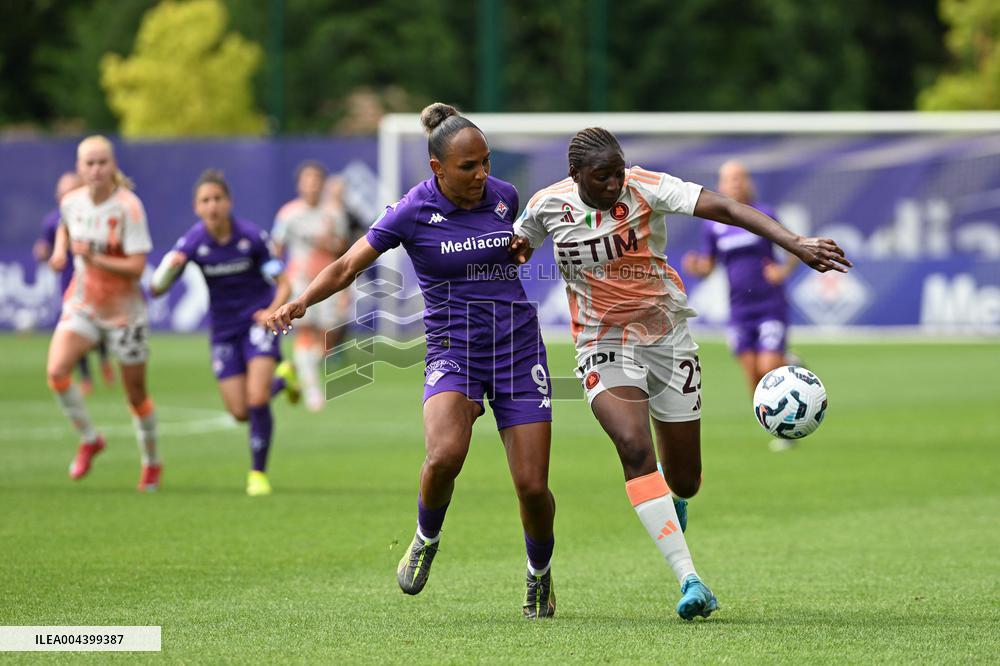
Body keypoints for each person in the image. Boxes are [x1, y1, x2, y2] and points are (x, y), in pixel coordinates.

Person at [510, 128, 851, 620]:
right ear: (575, 176)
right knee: (633, 447)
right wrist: (511, 252)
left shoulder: (646, 186)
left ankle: (672, 498)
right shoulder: (548, 205)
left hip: (667, 339)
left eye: (618, 172)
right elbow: (520, 244)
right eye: (601, 177)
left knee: (685, 480)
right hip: (601, 343)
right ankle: (691, 579)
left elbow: (728, 209)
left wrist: (795, 243)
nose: (613, 185)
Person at [267, 103, 559, 619]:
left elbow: (513, 251)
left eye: (486, 162)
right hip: (454, 349)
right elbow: (347, 264)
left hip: (517, 349)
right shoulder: (410, 211)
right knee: (445, 455)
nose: (482, 175)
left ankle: (539, 574)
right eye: (469, 167)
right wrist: (300, 303)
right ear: (437, 169)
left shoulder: (504, 198)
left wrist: (515, 254)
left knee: (533, 486)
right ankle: (426, 538)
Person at [151, 170, 297, 497]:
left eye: (217, 198)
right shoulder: (193, 242)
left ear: (228, 202)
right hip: (224, 331)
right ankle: (284, 380)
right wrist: (165, 274)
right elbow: (159, 285)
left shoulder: (251, 237)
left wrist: (272, 310)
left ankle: (257, 474)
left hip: (258, 323)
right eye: (205, 201)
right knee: (240, 411)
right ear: (197, 208)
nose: (212, 205)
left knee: (257, 399)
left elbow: (283, 282)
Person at [46, 135, 160, 491]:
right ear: (79, 169)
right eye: (89, 163)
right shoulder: (71, 202)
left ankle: (151, 463)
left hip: (125, 312)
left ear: (113, 166)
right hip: (83, 303)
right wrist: (60, 251)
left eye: (102, 162)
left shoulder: (129, 207)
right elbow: (66, 227)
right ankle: (90, 439)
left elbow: (138, 267)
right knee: (57, 372)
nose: (95, 169)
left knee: (136, 395)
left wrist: (93, 257)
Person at [681, 160, 799, 396]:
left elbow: (795, 245)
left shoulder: (764, 214)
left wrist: (783, 271)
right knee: (753, 377)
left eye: (739, 177)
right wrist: (697, 267)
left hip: (770, 304)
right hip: (739, 309)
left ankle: (792, 367)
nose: (735, 183)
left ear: (747, 182)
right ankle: (775, 425)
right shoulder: (714, 225)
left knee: (767, 368)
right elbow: (709, 266)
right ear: (720, 186)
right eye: (729, 178)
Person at [272, 161, 350, 411]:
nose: (312, 185)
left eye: (316, 180)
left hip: (327, 282)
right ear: (300, 185)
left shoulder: (333, 214)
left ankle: (296, 367)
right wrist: (280, 280)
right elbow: (276, 247)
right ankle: (312, 392)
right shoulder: (288, 214)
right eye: (307, 180)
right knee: (306, 332)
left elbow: (343, 250)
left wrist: (330, 242)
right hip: (300, 282)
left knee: (329, 337)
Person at [34, 171, 115, 395]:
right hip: (68, 284)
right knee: (73, 330)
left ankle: (105, 358)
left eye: (71, 190)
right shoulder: (52, 222)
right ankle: (86, 378)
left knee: (99, 324)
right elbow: (46, 247)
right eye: (63, 192)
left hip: (93, 279)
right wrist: (44, 253)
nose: (66, 196)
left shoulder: (91, 215)